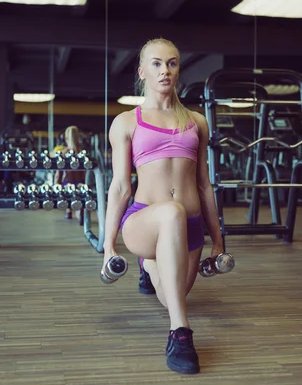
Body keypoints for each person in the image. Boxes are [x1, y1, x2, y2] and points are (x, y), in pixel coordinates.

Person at [101, 38, 225, 375]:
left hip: (191, 225)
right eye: (156, 64)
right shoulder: (127, 122)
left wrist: (218, 241)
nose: (165, 70)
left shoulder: (197, 122)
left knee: (173, 292)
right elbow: (121, 186)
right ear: (142, 71)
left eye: (171, 63)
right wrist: (108, 244)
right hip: (143, 220)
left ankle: (150, 267)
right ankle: (180, 333)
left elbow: (203, 184)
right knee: (171, 211)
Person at [53, 126, 85, 220]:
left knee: (66, 188)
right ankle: (79, 211)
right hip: (80, 184)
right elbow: (85, 173)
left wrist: (56, 185)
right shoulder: (82, 153)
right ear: (78, 137)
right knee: (79, 190)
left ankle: (69, 211)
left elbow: (59, 174)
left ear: (66, 138)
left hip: (67, 185)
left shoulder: (63, 153)